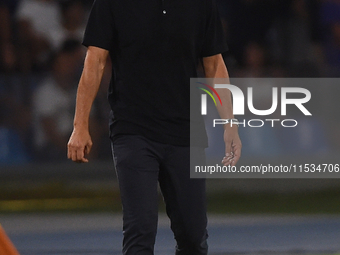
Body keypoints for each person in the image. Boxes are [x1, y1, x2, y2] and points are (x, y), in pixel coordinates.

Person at [67, 0, 242, 254]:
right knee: (140, 230)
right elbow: (95, 61)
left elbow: (214, 64)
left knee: (193, 236)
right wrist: (80, 125)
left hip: (186, 131)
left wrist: (230, 123)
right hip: (133, 129)